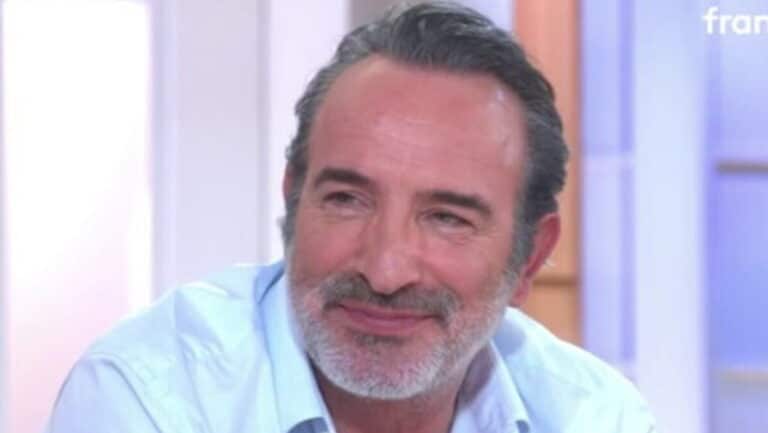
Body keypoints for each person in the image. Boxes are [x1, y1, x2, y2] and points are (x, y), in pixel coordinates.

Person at [46, 2, 656, 433]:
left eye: (447, 218)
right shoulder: (152, 395)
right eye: (346, 200)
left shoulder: (594, 416)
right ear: (293, 203)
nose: (385, 271)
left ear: (529, 257)